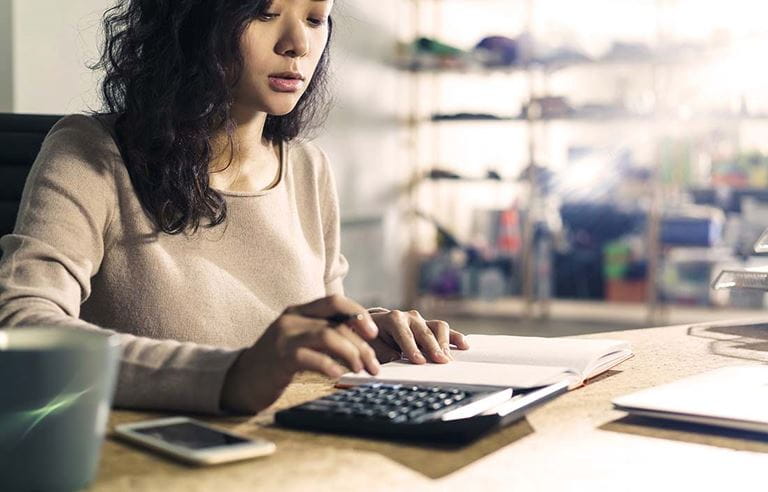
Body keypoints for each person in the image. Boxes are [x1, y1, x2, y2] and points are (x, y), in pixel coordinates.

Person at [0, 0, 469, 414]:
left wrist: (363, 332)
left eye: (315, 19)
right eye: (264, 13)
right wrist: (230, 375)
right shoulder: (90, 152)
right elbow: (21, 325)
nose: (298, 44)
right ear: (193, 19)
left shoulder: (309, 168)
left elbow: (309, 334)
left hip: (292, 448)